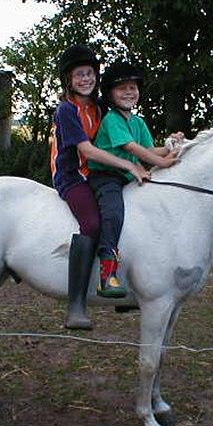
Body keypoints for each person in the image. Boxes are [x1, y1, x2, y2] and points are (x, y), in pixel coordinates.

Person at [50, 45, 148, 330]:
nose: (85, 79)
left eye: (90, 73)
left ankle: (121, 288)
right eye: (79, 74)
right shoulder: (66, 110)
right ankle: (76, 305)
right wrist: (128, 165)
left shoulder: (99, 108)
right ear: (69, 79)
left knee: (119, 213)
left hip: (97, 174)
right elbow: (87, 151)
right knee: (92, 223)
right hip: (72, 176)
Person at [88, 61, 181, 298]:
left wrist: (174, 146)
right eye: (122, 89)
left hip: (128, 175)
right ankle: (106, 273)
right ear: (110, 94)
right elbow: (132, 148)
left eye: (133, 87)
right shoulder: (112, 120)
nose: (129, 92)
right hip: (106, 176)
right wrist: (162, 163)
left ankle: (136, 275)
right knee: (114, 212)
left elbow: (149, 150)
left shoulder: (137, 122)